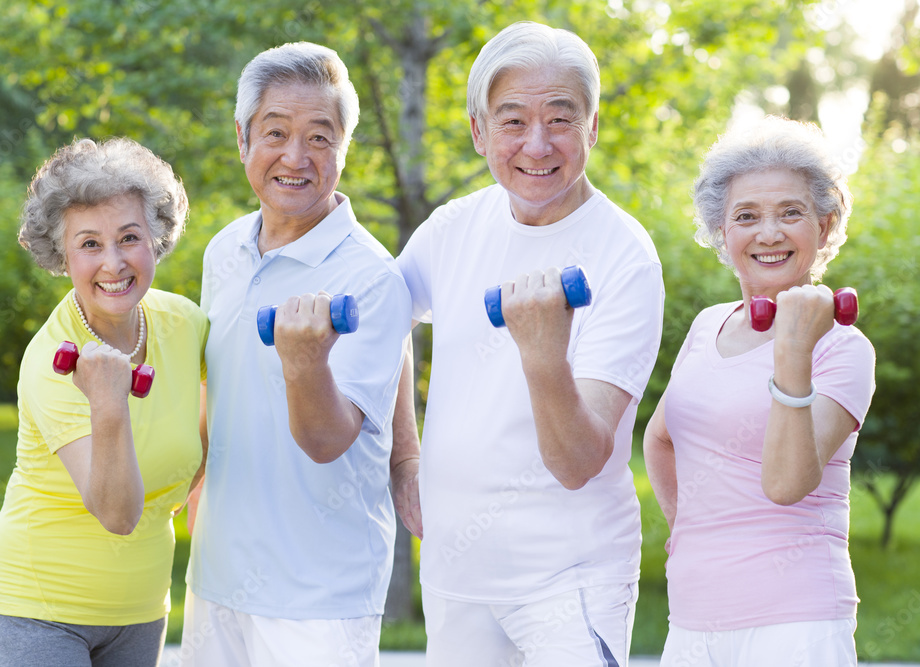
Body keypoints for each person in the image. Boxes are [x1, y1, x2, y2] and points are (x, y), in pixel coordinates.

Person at [391, 21, 665, 666]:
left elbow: (578, 461)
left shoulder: (626, 257)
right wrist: (405, 458)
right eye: (512, 121)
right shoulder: (450, 228)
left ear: (592, 127)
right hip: (457, 571)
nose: (537, 145)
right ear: (478, 131)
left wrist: (543, 353)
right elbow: (383, 331)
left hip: (568, 581)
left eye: (561, 120)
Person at [182, 42, 412, 666]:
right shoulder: (224, 248)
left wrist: (304, 363)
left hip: (320, 597)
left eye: (319, 137)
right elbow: (221, 383)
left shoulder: (371, 279)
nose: (295, 156)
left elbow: (326, 441)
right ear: (242, 138)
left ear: (344, 148)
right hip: (216, 577)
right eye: (275, 132)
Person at [643, 116, 876, 666]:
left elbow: (786, 483)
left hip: (797, 621)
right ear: (723, 233)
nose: (767, 233)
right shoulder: (707, 326)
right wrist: (686, 530)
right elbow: (660, 440)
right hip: (693, 619)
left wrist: (793, 348)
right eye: (746, 216)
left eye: (789, 213)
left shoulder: (843, 347)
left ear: (825, 224)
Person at [0, 137, 207, 667]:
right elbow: (117, 513)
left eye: (129, 237)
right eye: (89, 244)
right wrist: (109, 403)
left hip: (142, 606)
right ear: (61, 255)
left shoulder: (185, 324)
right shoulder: (52, 361)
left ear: (156, 238)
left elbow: (225, 416)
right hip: (42, 607)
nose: (113, 263)